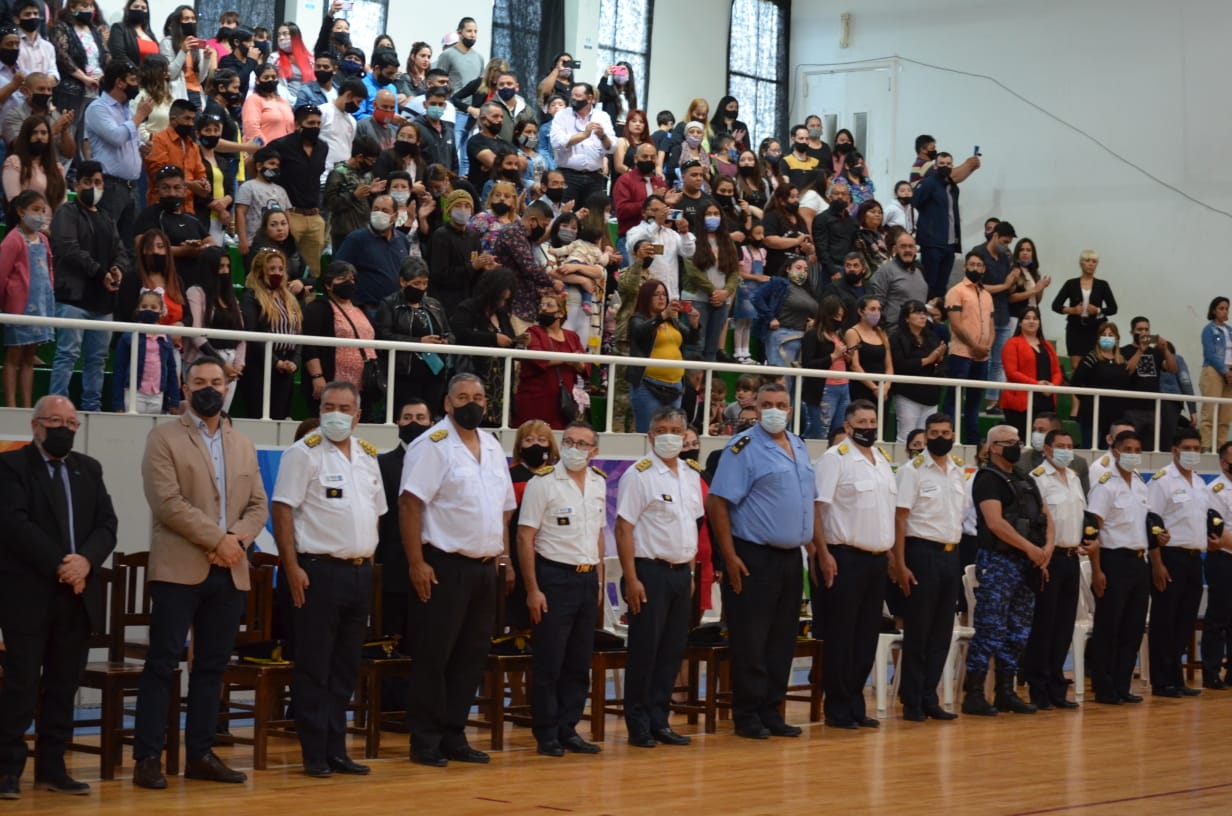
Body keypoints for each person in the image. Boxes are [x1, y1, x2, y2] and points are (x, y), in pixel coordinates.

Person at [132, 356, 269, 789]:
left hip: (229, 569)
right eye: (200, 381)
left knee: (212, 667)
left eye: (216, 381)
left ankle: (201, 755)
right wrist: (219, 540)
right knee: (163, 663)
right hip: (178, 569)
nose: (209, 388)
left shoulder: (243, 443)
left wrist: (237, 542)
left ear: (227, 387)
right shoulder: (163, 437)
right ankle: (148, 757)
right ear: (185, 387)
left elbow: (259, 505)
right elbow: (167, 503)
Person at [0, 396, 117, 799]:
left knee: (64, 685)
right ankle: (7, 770)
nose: (63, 428)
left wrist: (85, 561)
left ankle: (52, 769)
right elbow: (15, 525)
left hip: (77, 595)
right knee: (21, 684)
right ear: (35, 425)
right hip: (27, 594)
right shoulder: (11, 466)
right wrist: (63, 566)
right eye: (54, 421)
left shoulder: (89, 468)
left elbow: (107, 524)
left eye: (70, 423)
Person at [399, 373, 515, 768]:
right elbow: (410, 505)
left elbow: (503, 510)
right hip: (443, 566)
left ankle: (454, 734)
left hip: (485, 567)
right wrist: (416, 562)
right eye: (463, 397)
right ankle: (425, 740)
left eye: (478, 397)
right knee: (435, 655)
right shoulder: (431, 445)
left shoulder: (493, 445)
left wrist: (504, 559)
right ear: (447, 404)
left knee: (471, 656)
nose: (472, 403)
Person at [272, 381, 384, 778]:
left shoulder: (368, 457)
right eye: (328, 406)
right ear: (319, 411)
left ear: (357, 415)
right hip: (317, 571)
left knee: (345, 667)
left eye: (344, 408)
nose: (336, 414)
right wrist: (291, 567)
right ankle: (314, 753)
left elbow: (376, 514)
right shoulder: (303, 454)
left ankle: (337, 749)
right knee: (314, 666)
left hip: (359, 573)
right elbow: (282, 510)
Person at [707, 383, 817, 738]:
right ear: (755, 408)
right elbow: (717, 502)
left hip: (791, 557)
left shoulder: (799, 445)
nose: (774, 410)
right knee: (751, 639)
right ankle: (747, 714)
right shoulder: (742, 448)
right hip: (753, 555)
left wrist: (816, 550)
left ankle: (772, 710)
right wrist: (729, 556)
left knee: (782, 639)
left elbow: (807, 502)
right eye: (767, 404)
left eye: (781, 404)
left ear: (790, 410)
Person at [616, 406, 703, 748]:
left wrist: (690, 572)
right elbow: (623, 528)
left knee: (671, 650)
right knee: (645, 650)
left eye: (676, 430)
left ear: (685, 436)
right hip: (648, 572)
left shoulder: (690, 474)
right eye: (662, 430)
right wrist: (631, 578)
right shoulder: (639, 474)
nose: (670, 436)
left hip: (681, 572)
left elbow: (690, 526)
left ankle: (659, 720)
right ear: (651, 436)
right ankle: (638, 724)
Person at [517, 421, 606, 757]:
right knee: (550, 660)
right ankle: (547, 733)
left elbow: (598, 534)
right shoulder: (543, 483)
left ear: (594, 451)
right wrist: (533, 588)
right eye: (569, 441)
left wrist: (599, 579)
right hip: (554, 577)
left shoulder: (598, 482)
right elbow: (525, 537)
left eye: (582, 444)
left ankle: (569, 728)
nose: (574, 448)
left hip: (586, 578)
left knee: (578, 661)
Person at [813, 400, 895, 729]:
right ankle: (837, 707)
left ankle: (856, 704)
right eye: (862, 422)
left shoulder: (881, 459)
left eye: (873, 421)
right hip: (844, 557)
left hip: (877, 560)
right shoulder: (835, 458)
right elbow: (817, 508)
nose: (869, 427)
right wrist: (822, 554)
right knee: (841, 635)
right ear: (848, 426)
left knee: (866, 636)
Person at [962, 424, 1053, 716]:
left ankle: (1006, 691)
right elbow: (995, 523)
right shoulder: (987, 479)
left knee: (1018, 631)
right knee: (991, 629)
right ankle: (975, 694)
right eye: (1008, 442)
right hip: (999, 562)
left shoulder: (1025, 478)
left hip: (1028, 563)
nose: (1016, 446)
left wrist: (1046, 550)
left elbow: (1046, 516)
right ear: (992, 448)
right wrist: (1030, 549)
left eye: (1017, 441)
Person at [892, 412, 966, 721]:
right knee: (919, 631)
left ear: (953, 435)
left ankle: (929, 696)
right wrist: (899, 563)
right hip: (921, 553)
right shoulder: (912, 471)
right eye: (934, 433)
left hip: (951, 555)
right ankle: (911, 700)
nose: (940, 438)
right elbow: (899, 519)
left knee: (942, 631)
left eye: (945, 433)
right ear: (926, 435)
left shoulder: (958, 471)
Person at [48, 162, 126, 412]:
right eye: (88, 182)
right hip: (73, 298)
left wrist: (117, 268)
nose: (93, 187)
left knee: (97, 360)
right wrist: (100, 272)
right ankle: (56, 406)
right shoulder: (66, 213)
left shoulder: (106, 217)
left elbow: (121, 251)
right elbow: (68, 249)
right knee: (67, 355)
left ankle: (92, 407)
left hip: (102, 302)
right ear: (76, 184)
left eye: (98, 182)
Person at [1146, 427, 1214, 697]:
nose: (1192, 453)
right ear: (1175, 451)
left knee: (1184, 621)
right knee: (1165, 619)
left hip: (1195, 559)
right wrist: (1157, 565)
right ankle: (1161, 681)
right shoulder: (1162, 481)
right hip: (1170, 557)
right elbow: (1152, 525)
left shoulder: (1199, 483)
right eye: (1187, 448)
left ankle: (1176, 678)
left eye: (1197, 449)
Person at [1085, 429, 1151, 705]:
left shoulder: (1140, 484)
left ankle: (1123, 685)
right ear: (1115, 451)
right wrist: (1097, 570)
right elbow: (1093, 531)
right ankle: (1104, 686)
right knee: (1109, 627)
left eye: (1137, 450)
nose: (1133, 455)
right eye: (1128, 450)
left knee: (1133, 627)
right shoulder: (1105, 485)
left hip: (1139, 561)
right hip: (1113, 560)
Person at [1022, 427, 1086, 710]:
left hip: (1072, 558)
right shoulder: (1037, 479)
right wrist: (1041, 558)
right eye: (1061, 446)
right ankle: (1039, 688)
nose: (1066, 451)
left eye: (1070, 446)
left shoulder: (1074, 477)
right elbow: (1036, 523)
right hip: (1048, 559)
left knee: (1063, 626)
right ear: (1047, 450)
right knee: (1043, 626)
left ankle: (1057, 686)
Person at [85, 60, 154, 250]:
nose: (137, 85)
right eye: (133, 80)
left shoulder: (127, 109)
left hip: (132, 187)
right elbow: (116, 137)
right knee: (107, 242)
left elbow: (129, 140)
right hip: (110, 185)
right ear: (119, 83)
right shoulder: (98, 108)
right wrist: (140, 116)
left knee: (130, 246)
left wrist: (141, 147)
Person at [301, 261, 377, 416]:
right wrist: (317, 376)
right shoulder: (318, 308)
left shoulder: (361, 308)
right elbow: (309, 346)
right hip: (330, 385)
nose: (348, 283)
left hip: (363, 387)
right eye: (342, 279)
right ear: (328, 285)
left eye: (351, 279)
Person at [0, 191, 54, 409]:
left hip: (40, 306)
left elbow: (49, 269)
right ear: (21, 211)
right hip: (19, 308)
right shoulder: (13, 240)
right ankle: (12, 405)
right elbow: (2, 274)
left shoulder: (43, 239)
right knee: (14, 357)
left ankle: (26, 406)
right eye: (35, 210)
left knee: (29, 358)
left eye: (42, 210)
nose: (40, 215)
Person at [627, 279, 699, 432]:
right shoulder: (637, 319)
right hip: (648, 386)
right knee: (648, 432)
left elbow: (691, 340)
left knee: (672, 432)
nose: (661, 298)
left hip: (675, 387)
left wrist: (694, 324)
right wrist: (662, 316)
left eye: (664, 294)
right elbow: (640, 333)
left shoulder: (672, 321)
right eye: (656, 294)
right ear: (646, 297)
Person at [238, 248, 302, 419]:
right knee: (259, 416)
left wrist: (294, 361)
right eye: (272, 269)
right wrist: (275, 362)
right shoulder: (251, 296)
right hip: (260, 366)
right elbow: (252, 333)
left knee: (281, 417)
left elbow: (298, 332)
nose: (277, 273)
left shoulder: (289, 298)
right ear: (260, 271)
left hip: (286, 367)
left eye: (281, 269)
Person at [449, 268, 517, 427]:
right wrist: (493, 338)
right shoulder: (468, 308)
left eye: (505, 300)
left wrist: (518, 342)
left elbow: (509, 338)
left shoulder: (501, 314)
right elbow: (460, 334)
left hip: (500, 386)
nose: (502, 303)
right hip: (476, 375)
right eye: (500, 299)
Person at [269, 104, 328, 278]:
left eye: (318, 123)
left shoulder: (323, 147)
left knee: (313, 272)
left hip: (315, 216)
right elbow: (256, 161)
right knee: (285, 265)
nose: (315, 127)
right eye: (311, 123)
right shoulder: (281, 145)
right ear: (297, 124)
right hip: (290, 214)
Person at [183, 247, 244, 413]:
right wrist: (221, 363)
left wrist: (238, 365)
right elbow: (195, 333)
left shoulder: (231, 298)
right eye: (221, 266)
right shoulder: (196, 292)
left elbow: (241, 334)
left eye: (227, 266)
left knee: (221, 414)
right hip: (202, 358)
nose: (225, 271)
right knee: (200, 412)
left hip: (231, 364)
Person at [513, 292, 586, 429]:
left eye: (549, 305)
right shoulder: (533, 332)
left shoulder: (572, 337)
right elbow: (539, 359)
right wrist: (569, 358)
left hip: (561, 405)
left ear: (561, 313)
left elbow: (584, 367)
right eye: (541, 305)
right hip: (533, 401)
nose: (544, 308)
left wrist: (576, 362)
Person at [943, 252, 994, 445]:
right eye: (972, 264)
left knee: (975, 401)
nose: (975, 268)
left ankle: (973, 442)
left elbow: (991, 325)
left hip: (982, 356)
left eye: (979, 265)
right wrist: (974, 346)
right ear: (965, 267)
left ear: (984, 269)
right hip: (961, 353)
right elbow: (956, 325)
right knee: (954, 398)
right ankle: (949, 439)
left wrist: (986, 347)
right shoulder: (956, 291)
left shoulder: (987, 295)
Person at [914, 151, 980, 300]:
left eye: (948, 164)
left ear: (952, 166)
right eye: (942, 163)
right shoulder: (929, 183)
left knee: (942, 284)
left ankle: (939, 310)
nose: (945, 166)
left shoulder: (953, 187)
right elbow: (915, 202)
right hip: (932, 243)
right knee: (930, 283)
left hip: (950, 244)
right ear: (935, 166)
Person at [334, 193, 409, 312]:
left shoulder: (402, 240)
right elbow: (338, 270)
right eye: (376, 209)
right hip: (368, 308)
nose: (379, 213)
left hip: (397, 308)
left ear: (395, 216)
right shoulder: (356, 239)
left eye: (385, 211)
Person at [111, 289, 181, 414]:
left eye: (153, 307)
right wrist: (118, 403)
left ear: (161, 311)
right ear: (138, 309)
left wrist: (174, 400)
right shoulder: (128, 337)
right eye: (144, 306)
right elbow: (119, 369)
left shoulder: (165, 338)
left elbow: (171, 369)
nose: (148, 310)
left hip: (157, 394)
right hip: (134, 392)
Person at [999, 306, 1062, 437]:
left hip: (1046, 399)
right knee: (1023, 438)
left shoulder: (1047, 346)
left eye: (1035, 318)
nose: (1031, 321)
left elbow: (1057, 371)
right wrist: (1036, 385)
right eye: (1027, 318)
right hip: (1020, 402)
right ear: (1020, 323)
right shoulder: (1012, 343)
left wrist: (1052, 386)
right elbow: (1011, 372)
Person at [889, 299, 947, 444]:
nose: (922, 316)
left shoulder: (931, 336)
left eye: (924, 313)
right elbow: (900, 365)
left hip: (930, 394)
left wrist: (939, 359)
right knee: (906, 436)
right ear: (906, 318)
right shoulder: (896, 337)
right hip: (908, 393)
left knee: (926, 438)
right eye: (917, 313)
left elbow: (940, 365)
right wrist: (928, 360)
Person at [1050, 249, 1117, 371]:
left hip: (1096, 328)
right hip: (1075, 328)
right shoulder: (1071, 283)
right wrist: (1072, 310)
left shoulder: (1102, 284)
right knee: (1076, 366)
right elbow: (1055, 305)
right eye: (1087, 260)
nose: (1091, 264)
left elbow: (1113, 308)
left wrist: (1097, 310)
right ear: (1081, 263)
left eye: (1094, 261)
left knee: (1097, 365)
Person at [550, 82, 614, 207]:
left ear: (589, 98)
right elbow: (557, 142)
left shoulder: (602, 116)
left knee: (592, 214)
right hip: (568, 176)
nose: (573, 99)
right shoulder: (562, 115)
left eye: (578, 96)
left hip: (594, 177)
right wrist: (584, 135)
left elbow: (611, 147)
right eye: (572, 95)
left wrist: (603, 136)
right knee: (566, 213)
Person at [1071, 323, 1133, 449]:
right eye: (1104, 335)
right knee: (1091, 449)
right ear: (1098, 338)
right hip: (1092, 415)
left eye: (1110, 335)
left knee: (1108, 451)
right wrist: (1088, 400)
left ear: (1117, 338)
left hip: (1114, 415)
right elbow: (1076, 382)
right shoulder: (1091, 358)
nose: (1107, 338)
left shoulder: (1121, 360)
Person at [1121, 315, 1178, 450]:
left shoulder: (1155, 352)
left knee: (1150, 447)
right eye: (1140, 329)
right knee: (1130, 445)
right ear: (1132, 332)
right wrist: (1140, 350)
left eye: (1146, 329)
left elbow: (1172, 369)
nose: (1144, 333)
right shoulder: (1124, 351)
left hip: (1153, 408)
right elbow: (1127, 370)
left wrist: (1165, 350)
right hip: (1132, 407)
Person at [624, 194, 695, 302]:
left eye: (662, 211)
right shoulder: (635, 231)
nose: (659, 214)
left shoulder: (672, 234)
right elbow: (634, 244)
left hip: (671, 297)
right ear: (643, 213)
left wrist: (684, 232)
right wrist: (657, 223)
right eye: (655, 210)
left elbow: (688, 252)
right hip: (645, 298)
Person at [1203, 442, 1232, 689]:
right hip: (1223, 560)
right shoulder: (1215, 490)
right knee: (1219, 618)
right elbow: (1218, 533)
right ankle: (1211, 672)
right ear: (1224, 462)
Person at [235, 147, 293, 255]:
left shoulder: (281, 190)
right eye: (271, 163)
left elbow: (287, 215)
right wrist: (243, 240)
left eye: (277, 165)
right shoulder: (248, 187)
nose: (275, 168)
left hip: (279, 244)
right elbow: (240, 212)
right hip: (255, 243)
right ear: (259, 166)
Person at [1015, 412, 1091, 494]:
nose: (1036, 434)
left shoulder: (1078, 463)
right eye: (1034, 430)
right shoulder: (1020, 461)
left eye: (1041, 430)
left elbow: (1084, 496)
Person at [844, 296, 893, 415]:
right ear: (861, 312)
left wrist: (886, 386)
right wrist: (874, 388)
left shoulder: (881, 332)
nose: (876, 313)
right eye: (872, 309)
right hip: (862, 387)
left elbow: (889, 366)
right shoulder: (852, 333)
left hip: (883, 389)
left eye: (879, 309)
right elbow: (855, 365)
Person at [867, 232, 927, 329]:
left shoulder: (919, 273)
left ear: (915, 250)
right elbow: (874, 304)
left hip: (919, 330)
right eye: (903, 246)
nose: (907, 250)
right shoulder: (885, 271)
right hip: (894, 329)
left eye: (911, 246)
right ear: (895, 249)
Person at [160, 5, 214, 109]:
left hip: (196, 94)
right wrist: (183, 51)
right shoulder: (167, 43)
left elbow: (200, 78)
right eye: (186, 19)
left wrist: (206, 59)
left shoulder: (196, 45)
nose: (191, 21)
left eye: (193, 19)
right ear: (178, 22)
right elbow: (171, 74)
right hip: (177, 93)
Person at [1200, 296, 1232, 449]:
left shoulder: (1230, 330)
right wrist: (1225, 371)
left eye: (1227, 308)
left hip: (1230, 373)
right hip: (1214, 371)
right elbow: (1210, 354)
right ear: (1214, 311)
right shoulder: (1209, 329)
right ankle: (1206, 448)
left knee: (1226, 416)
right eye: (1221, 308)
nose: (1225, 311)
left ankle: (1222, 449)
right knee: (1210, 414)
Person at [811, 181, 855, 279]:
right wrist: (833, 271)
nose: (840, 196)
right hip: (832, 269)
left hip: (850, 268)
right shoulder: (821, 219)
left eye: (844, 194)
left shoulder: (852, 220)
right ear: (830, 197)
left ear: (848, 198)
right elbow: (821, 248)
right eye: (836, 193)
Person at [435, 17, 483, 95]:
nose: (473, 35)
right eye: (469, 31)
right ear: (459, 33)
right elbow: (438, 82)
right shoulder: (447, 55)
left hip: (473, 102)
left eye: (475, 31)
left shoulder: (479, 58)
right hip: (453, 101)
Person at [109, 0, 160, 67]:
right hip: (132, 72)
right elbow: (119, 56)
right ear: (128, 10)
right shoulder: (119, 28)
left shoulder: (150, 34)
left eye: (143, 8)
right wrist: (137, 71)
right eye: (136, 7)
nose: (140, 9)